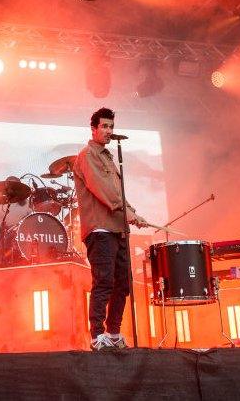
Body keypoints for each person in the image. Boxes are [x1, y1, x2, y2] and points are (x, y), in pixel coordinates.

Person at [73, 107, 152, 351]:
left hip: (117, 230)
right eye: (104, 127)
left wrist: (133, 213)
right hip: (100, 230)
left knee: (123, 285)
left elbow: (118, 193)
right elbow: (103, 191)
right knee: (104, 282)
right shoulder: (87, 155)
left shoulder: (108, 156)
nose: (108, 131)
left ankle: (114, 333)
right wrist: (126, 211)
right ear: (94, 129)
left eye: (111, 127)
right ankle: (97, 335)